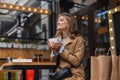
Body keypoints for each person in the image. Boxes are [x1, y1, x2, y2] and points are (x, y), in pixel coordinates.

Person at [48, 13, 86, 80]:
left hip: (74, 75)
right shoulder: (57, 39)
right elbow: (52, 62)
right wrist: (53, 51)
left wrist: (61, 49)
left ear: (69, 23)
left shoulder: (78, 40)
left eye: (61, 20)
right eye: (58, 21)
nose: (58, 22)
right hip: (59, 74)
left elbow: (76, 61)